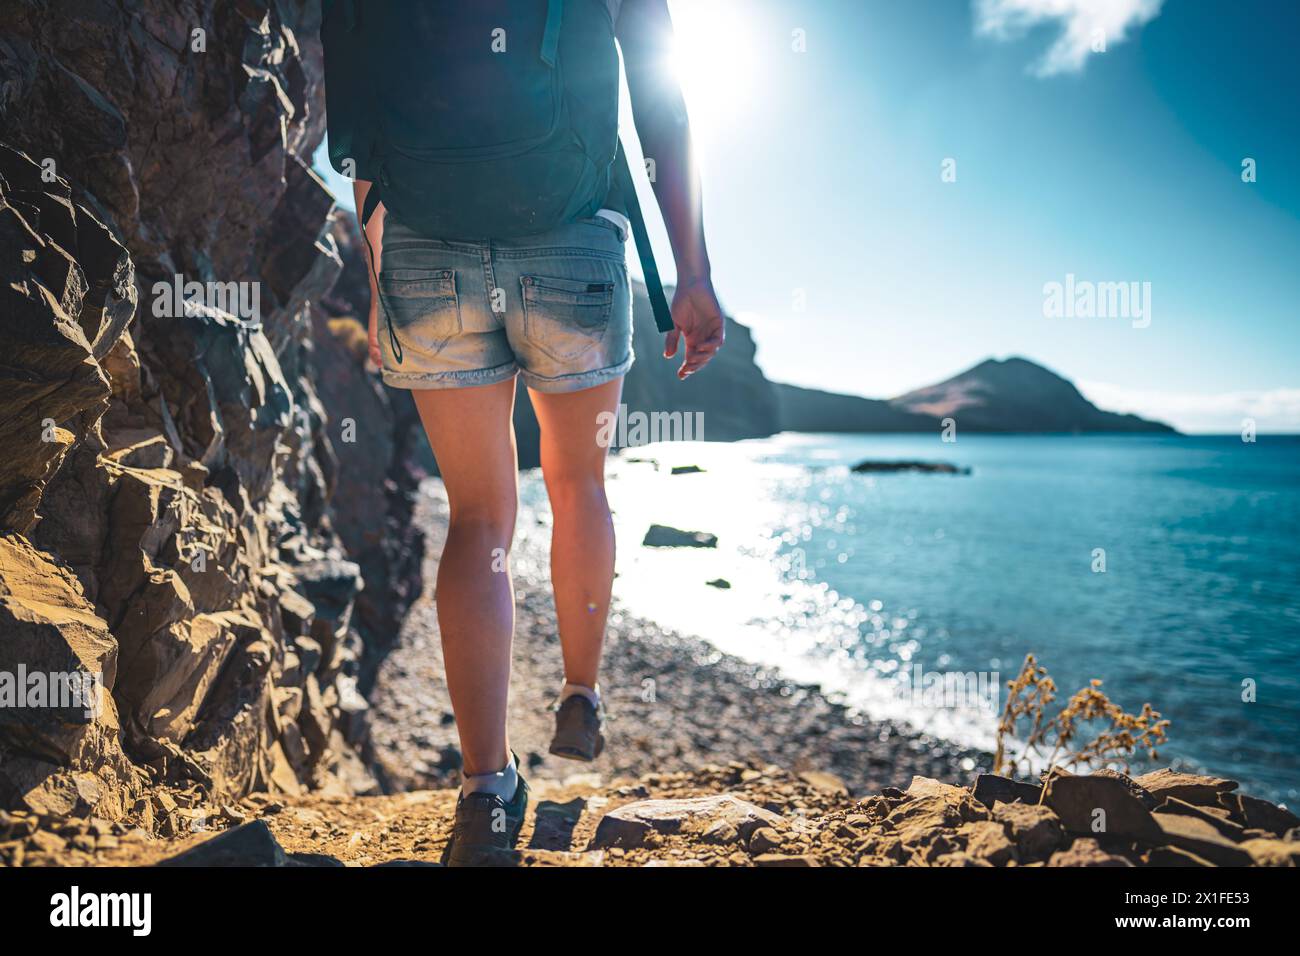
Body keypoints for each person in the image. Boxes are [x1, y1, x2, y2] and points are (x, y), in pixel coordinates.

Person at [331, 0, 723, 865]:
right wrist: (691, 270)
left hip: (425, 251)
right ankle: (580, 694)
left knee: (477, 517)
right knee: (578, 480)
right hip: (571, 244)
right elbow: (663, 104)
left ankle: (485, 791)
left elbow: (358, 120)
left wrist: (376, 274)